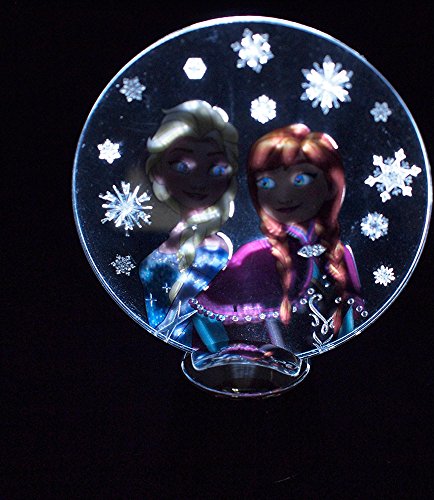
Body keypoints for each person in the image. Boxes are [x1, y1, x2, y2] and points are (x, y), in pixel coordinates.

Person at [190, 124, 363, 353]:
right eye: (266, 183)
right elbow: (204, 316)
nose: (282, 195)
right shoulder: (254, 256)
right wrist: (235, 359)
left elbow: (349, 327)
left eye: (300, 179)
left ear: (331, 184)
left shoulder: (341, 254)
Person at [139, 100, 238, 353]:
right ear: (158, 171)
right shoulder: (154, 237)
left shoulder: (216, 249)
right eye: (182, 166)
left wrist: (221, 359)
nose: (199, 181)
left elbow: (206, 319)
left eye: (216, 168)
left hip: (192, 355)